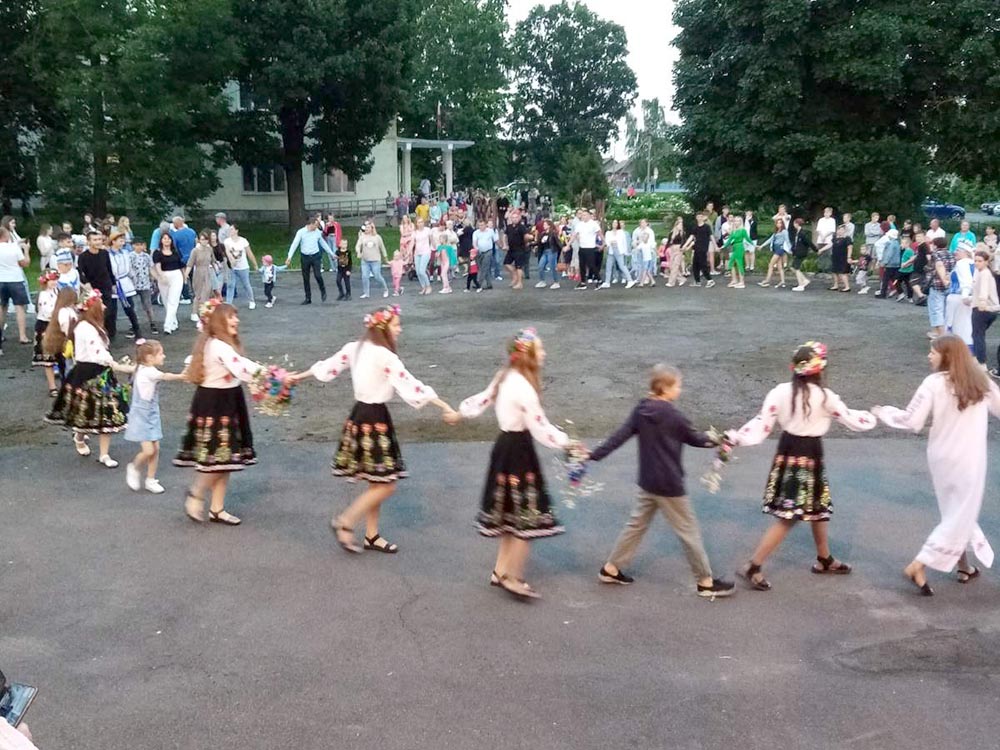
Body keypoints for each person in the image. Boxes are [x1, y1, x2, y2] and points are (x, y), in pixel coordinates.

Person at [291, 305, 457, 553]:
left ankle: (372, 535)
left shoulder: (355, 348)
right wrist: (444, 406)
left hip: (360, 415)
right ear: (383, 327)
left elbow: (327, 367)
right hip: (374, 418)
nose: (399, 329)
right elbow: (411, 385)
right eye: (396, 325)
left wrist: (297, 377)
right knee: (386, 485)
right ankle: (345, 521)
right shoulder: (384, 356)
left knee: (377, 481)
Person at [728, 342, 876, 591]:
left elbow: (762, 424)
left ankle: (824, 558)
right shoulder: (825, 397)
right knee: (790, 515)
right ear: (820, 370)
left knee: (818, 505)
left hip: (787, 450)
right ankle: (754, 565)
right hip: (810, 452)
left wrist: (736, 438)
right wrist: (873, 417)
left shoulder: (780, 392)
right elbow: (851, 419)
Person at [588, 365, 735, 597]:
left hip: (648, 481)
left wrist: (594, 454)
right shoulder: (674, 416)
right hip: (669, 484)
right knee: (688, 530)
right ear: (665, 388)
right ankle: (705, 581)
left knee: (636, 525)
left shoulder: (641, 410)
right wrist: (720, 440)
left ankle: (611, 569)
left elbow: (619, 436)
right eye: (678, 385)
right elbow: (696, 439)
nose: (680, 389)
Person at [874, 336, 1000, 595]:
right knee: (960, 513)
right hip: (969, 460)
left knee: (954, 512)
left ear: (947, 356)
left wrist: (885, 412)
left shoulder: (932, 383)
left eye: (933, 352)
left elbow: (911, 421)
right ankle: (919, 563)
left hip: (941, 458)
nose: (928, 356)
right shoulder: (981, 381)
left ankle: (964, 567)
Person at [456, 328, 573, 599]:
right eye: (539, 349)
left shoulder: (505, 376)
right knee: (526, 519)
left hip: (504, 448)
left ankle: (500, 570)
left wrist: (461, 412)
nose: (544, 354)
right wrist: (568, 443)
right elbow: (540, 427)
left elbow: (483, 399)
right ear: (527, 354)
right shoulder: (523, 388)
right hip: (519, 452)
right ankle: (512, 577)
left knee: (510, 514)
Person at [175, 301, 265, 526]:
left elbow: (240, 366)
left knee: (225, 460)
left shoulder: (219, 344)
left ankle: (217, 508)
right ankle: (196, 493)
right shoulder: (217, 346)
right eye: (231, 317)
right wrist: (271, 374)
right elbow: (241, 367)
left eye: (236, 316)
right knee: (219, 457)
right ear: (218, 321)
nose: (237, 320)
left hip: (226, 400)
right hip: (216, 403)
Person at [45, 290, 131, 466]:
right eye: (101, 304)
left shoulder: (93, 326)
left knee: (106, 412)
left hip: (100, 371)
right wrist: (117, 365)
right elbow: (97, 353)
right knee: (86, 411)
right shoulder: (85, 328)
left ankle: (104, 454)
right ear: (93, 308)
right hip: (88, 373)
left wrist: (112, 364)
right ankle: (79, 437)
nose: (104, 307)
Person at [124, 339, 186, 494]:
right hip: (141, 415)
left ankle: (151, 479)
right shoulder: (149, 372)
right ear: (150, 358)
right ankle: (134, 467)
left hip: (151, 413)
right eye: (161, 354)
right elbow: (165, 376)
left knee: (156, 448)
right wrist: (181, 376)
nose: (164, 356)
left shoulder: (142, 368)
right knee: (149, 450)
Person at [77, 231, 117, 335]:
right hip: (92, 288)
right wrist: (86, 283)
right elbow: (80, 272)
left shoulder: (104, 253)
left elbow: (109, 269)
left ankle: (109, 334)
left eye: (99, 239)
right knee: (93, 311)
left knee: (108, 311)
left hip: (106, 286)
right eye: (95, 240)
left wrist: (113, 283)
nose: (98, 242)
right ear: (88, 242)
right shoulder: (83, 257)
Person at [285, 218, 332, 304]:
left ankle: (323, 290)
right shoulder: (301, 232)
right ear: (311, 224)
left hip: (315, 256)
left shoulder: (317, 232)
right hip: (305, 257)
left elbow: (323, 243)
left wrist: (331, 253)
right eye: (316, 225)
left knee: (318, 275)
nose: (317, 227)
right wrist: (289, 257)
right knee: (306, 278)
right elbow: (295, 244)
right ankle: (308, 298)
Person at [0, 226, 31, 353]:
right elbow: (25, 263)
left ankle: (1, 334)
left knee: (2, 307)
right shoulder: (13, 248)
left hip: (1, 279)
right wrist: (26, 251)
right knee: (20, 308)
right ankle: (22, 336)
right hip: (15, 279)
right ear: (6, 235)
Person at [108, 231, 142, 339]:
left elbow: (129, 268)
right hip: (113, 283)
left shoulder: (125, 253)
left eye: (123, 240)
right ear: (113, 241)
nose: (123, 242)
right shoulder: (107, 254)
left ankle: (137, 330)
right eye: (120, 240)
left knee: (129, 308)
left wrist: (133, 278)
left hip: (125, 282)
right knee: (112, 310)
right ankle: (111, 333)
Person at [968, 249, 999, 369]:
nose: (977, 263)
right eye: (975, 261)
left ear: (986, 262)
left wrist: (982, 302)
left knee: (978, 335)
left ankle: (981, 362)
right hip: (991, 309)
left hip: (983, 308)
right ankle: (978, 360)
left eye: (980, 261)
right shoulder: (981, 272)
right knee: (978, 334)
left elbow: (984, 290)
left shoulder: (984, 273)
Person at [32, 271, 60, 396]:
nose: (54, 282)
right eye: (51, 280)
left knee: (61, 356)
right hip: (45, 326)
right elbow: (47, 313)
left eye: (56, 279)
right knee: (48, 358)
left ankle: (64, 383)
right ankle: (52, 387)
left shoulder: (57, 291)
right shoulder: (43, 295)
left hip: (57, 325)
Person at [152, 232, 185, 335]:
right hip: (164, 275)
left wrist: (184, 277)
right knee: (166, 300)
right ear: (161, 241)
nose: (167, 240)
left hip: (176, 275)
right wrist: (161, 276)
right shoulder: (157, 253)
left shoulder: (176, 252)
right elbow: (157, 266)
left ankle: (167, 325)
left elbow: (181, 265)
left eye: (168, 238)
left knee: (173, 300)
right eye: (164, 238)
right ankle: (173, 321)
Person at [184, 231, 217, 321]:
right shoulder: (195, 251)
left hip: (208, 272)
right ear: (199, 240)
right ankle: (194, 312)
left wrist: (216, 268)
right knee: (198, 293)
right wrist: (186, 275)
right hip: (198, 272)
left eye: (206, 239)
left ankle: (204, 313)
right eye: (202, 239)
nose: (204, 241)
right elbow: (190, 264)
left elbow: (213, 260)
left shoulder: (209, 249)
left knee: (207, 293)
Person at [356, 221, 390, 299]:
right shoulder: (362, 237)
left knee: (377, 276)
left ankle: (385, 289)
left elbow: (382, 248)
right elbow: (358, 246)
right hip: (365, 260)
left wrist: (385, 257)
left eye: (368, 227)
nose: (366, 229)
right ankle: (366, 293)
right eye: (366, 227)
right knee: (364, 276)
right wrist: (358, 252)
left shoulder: (377, 237)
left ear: (372, 228)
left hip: (375, 260)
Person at [680, 213, 715, 288]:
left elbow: (711, 236)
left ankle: (710, 280)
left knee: (703, 264)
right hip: (696, 247)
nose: (699, 218)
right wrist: (685, 245)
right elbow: (691, 237)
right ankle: (697, 281)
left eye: (701, 217)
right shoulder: (695, 227)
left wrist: (715, 246)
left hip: (703, 248)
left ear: (703, 217)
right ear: (696, 218)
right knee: (695, 265)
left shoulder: (707, 227)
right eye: (698, 217)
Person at [569, 210, 602, 290]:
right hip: (582, 247)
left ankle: (599, 279)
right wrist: (568, 244)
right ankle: (583, 282)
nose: (583, 216)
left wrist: (603, 243)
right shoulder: (579, 225)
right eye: (582, 215)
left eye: (585, 215)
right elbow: (574, 235)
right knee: (582, 265)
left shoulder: (593, 224)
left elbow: (599, 233)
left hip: (590, 247)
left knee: (591, 265)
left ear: (589, 216)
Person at [129, 240, 157, 334]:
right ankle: (133, 325)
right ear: (133, 246)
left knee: (148, 305)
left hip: (145, 284)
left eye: (141, 245)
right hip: (133, 285)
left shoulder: (146, 256)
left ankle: (152, 323)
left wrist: (153, 278)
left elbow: (151, 268)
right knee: (133, 307)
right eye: (137, 245)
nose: (139, 247)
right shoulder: (130, 256)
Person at [757, 218, 789, 288]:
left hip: (780, 249)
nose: (778, 224)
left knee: (771, 265)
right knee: (779, 266)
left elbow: (787, 240)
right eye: (777, 223)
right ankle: (782, 281)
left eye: (780, 223)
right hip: (776, 248)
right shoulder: (776, 232)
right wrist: (762, 246)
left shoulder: (784, 231)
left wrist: (790, 249)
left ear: (782, 224)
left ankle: (767, 281)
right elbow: (770, 239)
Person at [788, 217, 817, 292]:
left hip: (801, 253)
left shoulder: (802, 233)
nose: (793, 225)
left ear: (797, 224)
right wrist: (792, 250)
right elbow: (796, 243)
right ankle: (804, 280)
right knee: (793, 267)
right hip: (797, 252)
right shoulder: (798, 233)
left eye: (794, 223)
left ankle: (801, 285)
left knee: (796, 268)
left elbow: (809, 242)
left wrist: (815, 250)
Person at [722, 215, 749, 288]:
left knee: (739, 264)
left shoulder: (742, 230)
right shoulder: (733, 230)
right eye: (735, 221)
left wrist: (754, 245)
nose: (736, 222)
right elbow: (730, 240)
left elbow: (747, 239)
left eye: (738, 221)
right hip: (734, 247)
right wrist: (723, 246)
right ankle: (734, 280)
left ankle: (742, 282)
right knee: (731, 263)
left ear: (741, 222)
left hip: (739, 247)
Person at [824, 225, 853, 292]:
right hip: (835, 257)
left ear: (845, 231)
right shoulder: (834, 238)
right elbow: (830, 245)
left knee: (843, 272)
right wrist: (821, 250)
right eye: (838, 230)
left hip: (843, 257)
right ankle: (835, 285)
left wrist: (849, 257)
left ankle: (847, 287)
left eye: (841, 230)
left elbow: (850, 248)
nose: (839, 231)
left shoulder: (847, 238)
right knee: (834, 272)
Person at [472, 219, 498, 290]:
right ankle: (489, 284)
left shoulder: (490, 231)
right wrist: (476, 248)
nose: (481, 227)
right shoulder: (476, 232)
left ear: (486, 225)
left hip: (488, 251)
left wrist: (500, 246)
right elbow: (474, 242)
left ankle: (478, 283)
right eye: (479, 225)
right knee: (482, 268)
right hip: (479, 252)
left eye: (482, 225)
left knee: (484, 267)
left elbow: (495, 240)